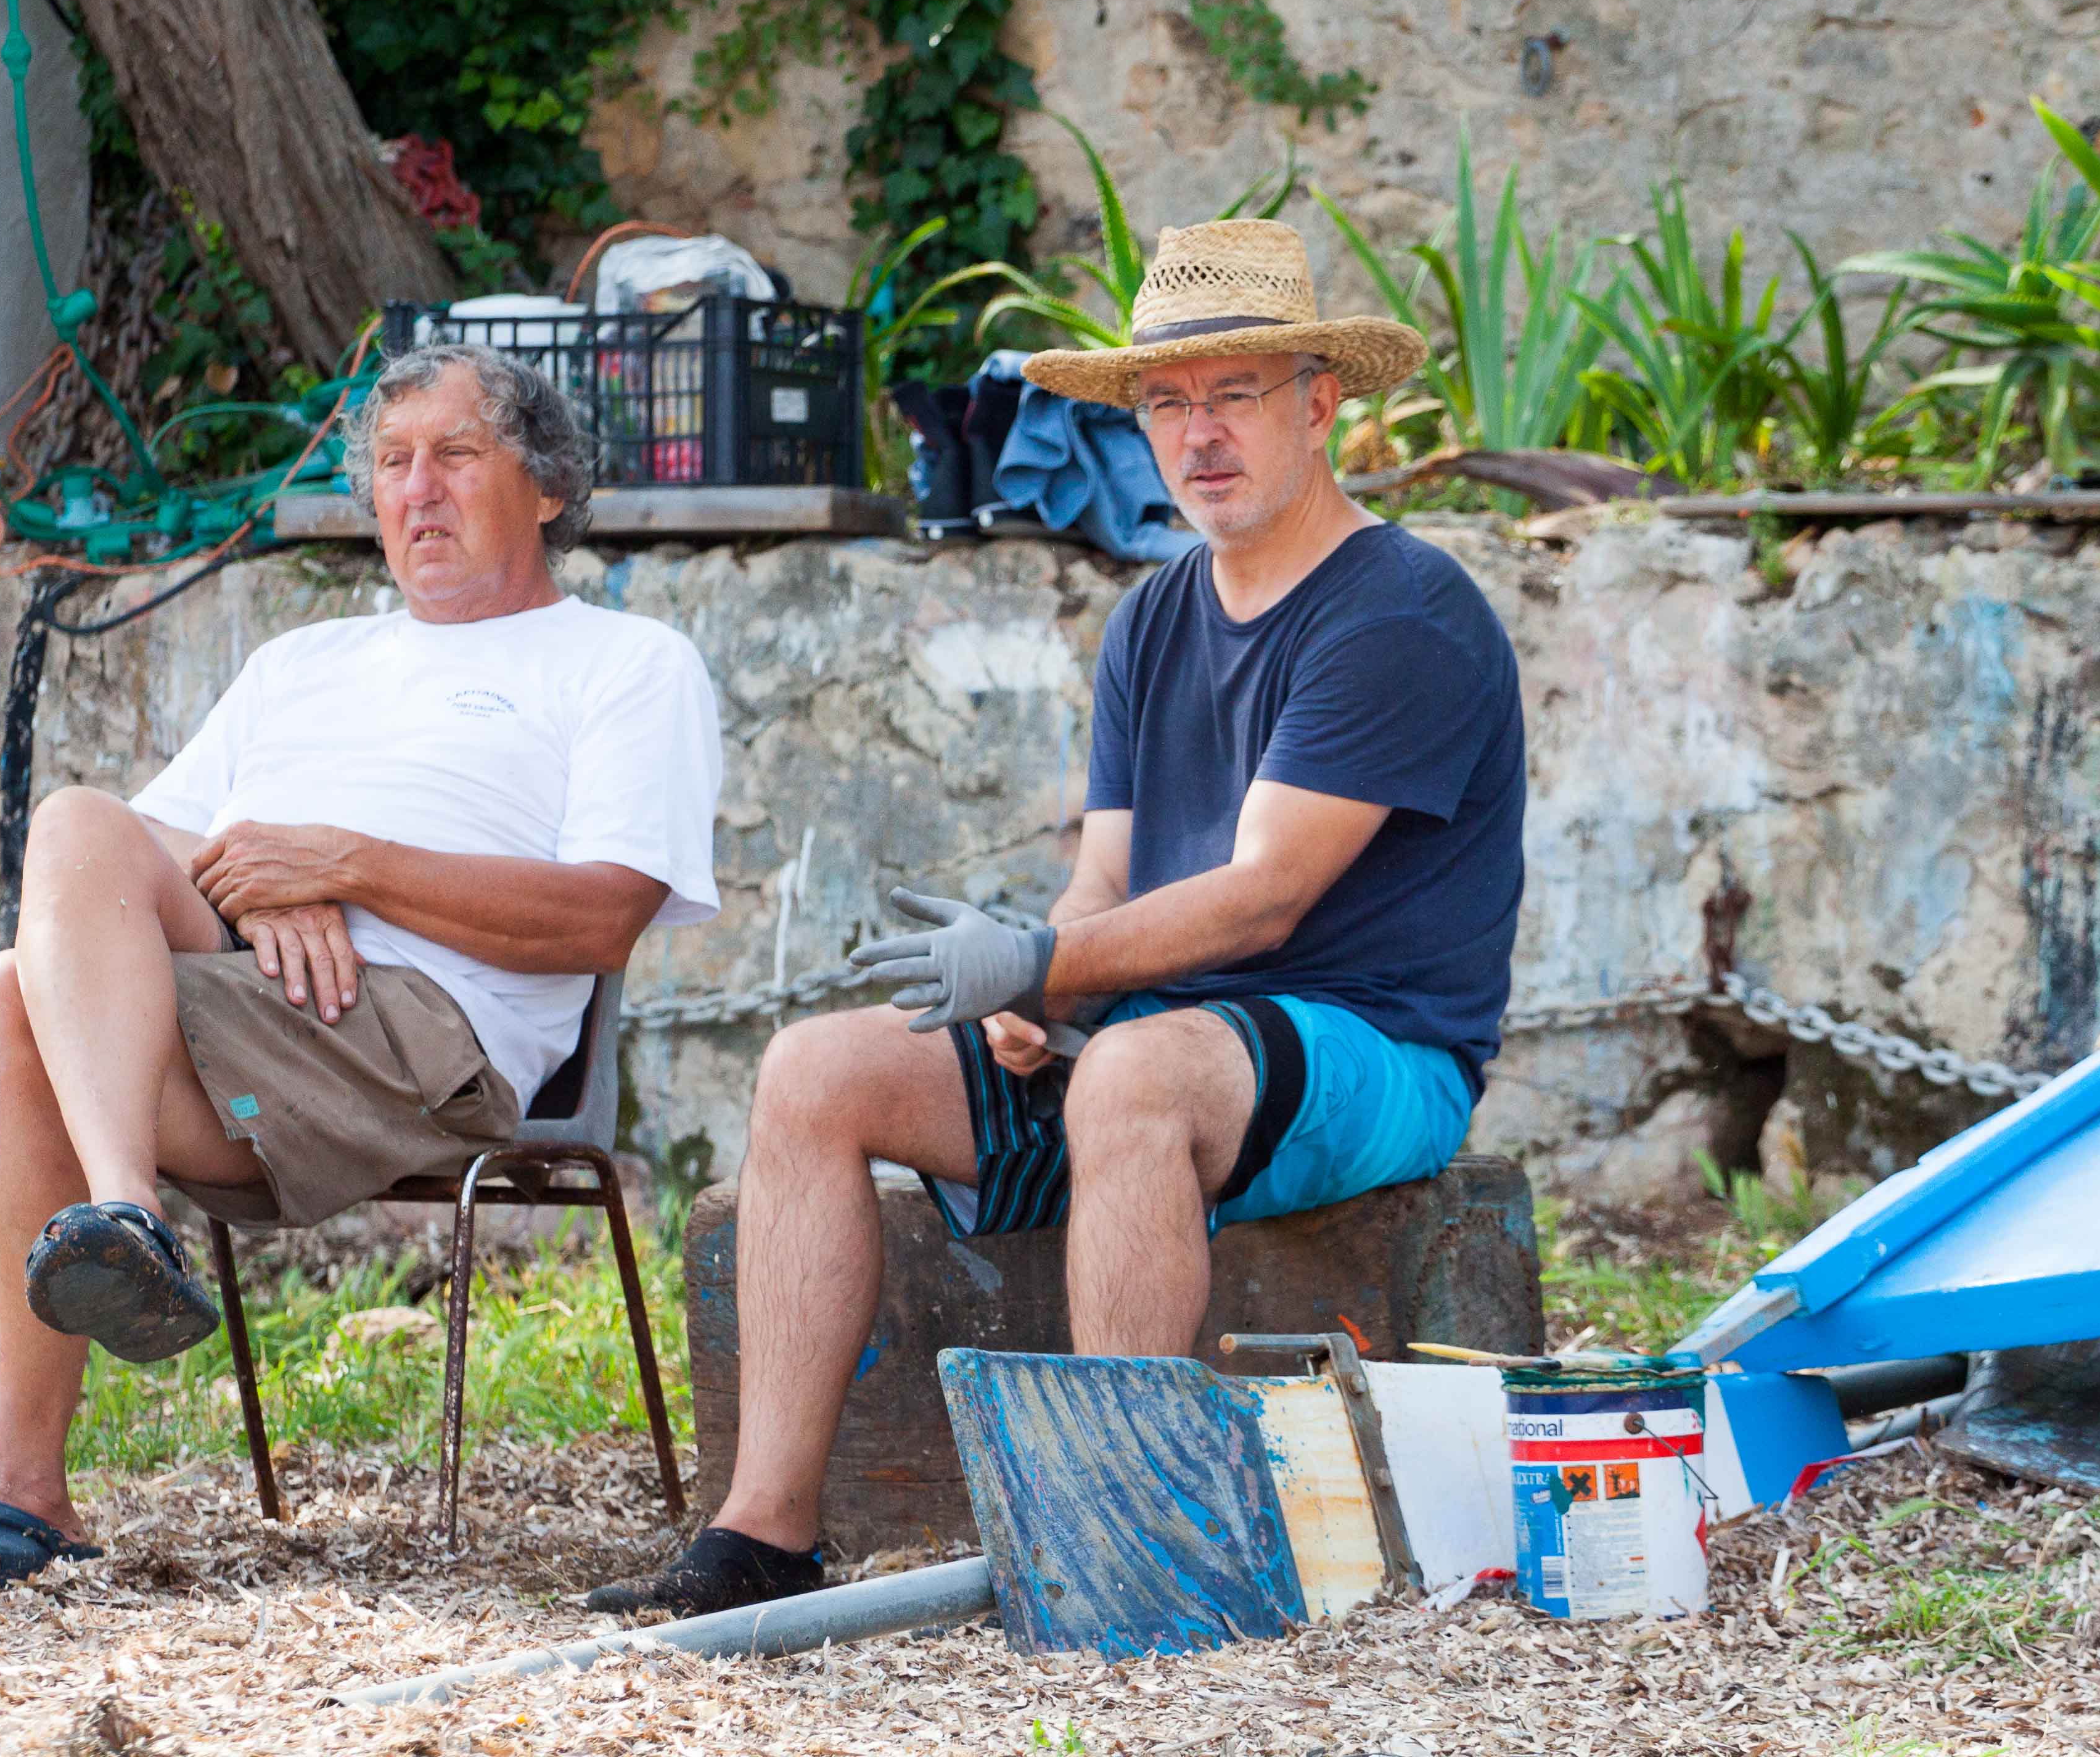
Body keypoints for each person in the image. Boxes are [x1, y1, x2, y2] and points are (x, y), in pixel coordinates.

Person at [593, 218, 1525, 1617]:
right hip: (1172, 1034)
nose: (1199, 434)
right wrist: (1043, 990)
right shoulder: (1154, 619)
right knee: (817, 1069)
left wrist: (1050, 963)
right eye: (1168, 401)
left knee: (1136, 1076)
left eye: (1236, 393)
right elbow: (1105, 881)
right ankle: (763, 1538)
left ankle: (1127, 1542)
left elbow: (1267, 896)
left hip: (1379, 1047)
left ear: (1321, 403)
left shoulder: (1402, 610)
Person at [0, 342, 723, 1598]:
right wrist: (267, 893)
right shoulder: (303, 663)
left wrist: (346, 865)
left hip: (424, 1038)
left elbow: (603, 920)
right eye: (393, 463)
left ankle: (52, 1400)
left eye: (455, 455)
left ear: (547, 488)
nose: (417, 490)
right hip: (259, 1007)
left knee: (4, 998)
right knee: (61, 861)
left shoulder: (626, 663)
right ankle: (111, 1261)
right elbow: (141, 863)